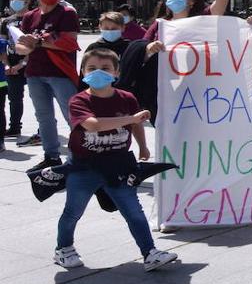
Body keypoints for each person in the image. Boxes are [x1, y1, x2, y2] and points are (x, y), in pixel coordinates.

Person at [52, 48, 180, 271]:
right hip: (84, 167)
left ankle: (150, 252)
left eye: (105, 68)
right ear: (83, 72)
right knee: (73, 212)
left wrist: (143, 145)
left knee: (134, 211)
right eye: (92, 68)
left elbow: (136, 125)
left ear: (116, 73)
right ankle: (64, 249)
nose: (98, 72)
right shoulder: (79, 100)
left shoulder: (126, 98)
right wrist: (132, 119)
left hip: (118, 166)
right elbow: (93, 125)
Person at [14, 0, 81, 171]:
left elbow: (69, 42)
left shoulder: (66, 13)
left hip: (60, 73)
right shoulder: (30, 16)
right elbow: (20, 46)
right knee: (44, 117)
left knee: (72, 116)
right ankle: (51, 157)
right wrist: (29, 45)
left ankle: (80, 157)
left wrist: (37, 42)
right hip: (35, 72)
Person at [2, 0, 34, 140]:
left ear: (27, 1)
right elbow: (2, 45)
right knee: (14, 98)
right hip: (12, 65)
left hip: (32, 64)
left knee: (39, 98)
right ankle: (15, 127)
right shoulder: (6, 22)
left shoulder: (34, 18)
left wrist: (23, 63)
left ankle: (43, 129)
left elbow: (35, 45)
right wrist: (7, 64)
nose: (14, 1)